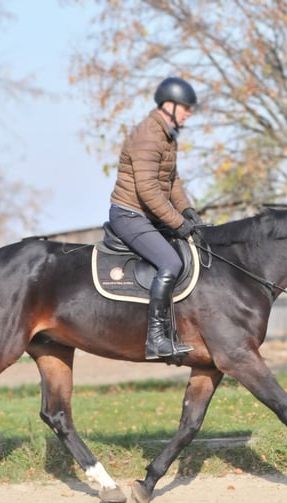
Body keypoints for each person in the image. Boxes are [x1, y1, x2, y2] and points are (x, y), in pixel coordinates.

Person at [108, 76, 204, 360]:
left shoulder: (167, 133)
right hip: (130, 214)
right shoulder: (149, 135)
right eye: (185, 107)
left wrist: (188, 212)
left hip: (150, 215)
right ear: (168, 105)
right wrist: (177, 223)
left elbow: (171, 181)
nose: (189, 113)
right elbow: (148, 190)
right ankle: (156, 339)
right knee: (171, 262)